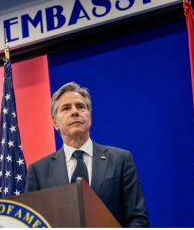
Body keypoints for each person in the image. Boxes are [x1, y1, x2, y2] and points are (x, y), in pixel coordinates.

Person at [25, 82, 149, 227]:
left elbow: (138, 219)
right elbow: (31, 225)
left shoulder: (120, 160)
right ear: (55, 122)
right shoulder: (38, 171)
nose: (74, 112)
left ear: (89, 118)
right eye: (66, 108)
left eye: (80, 106)